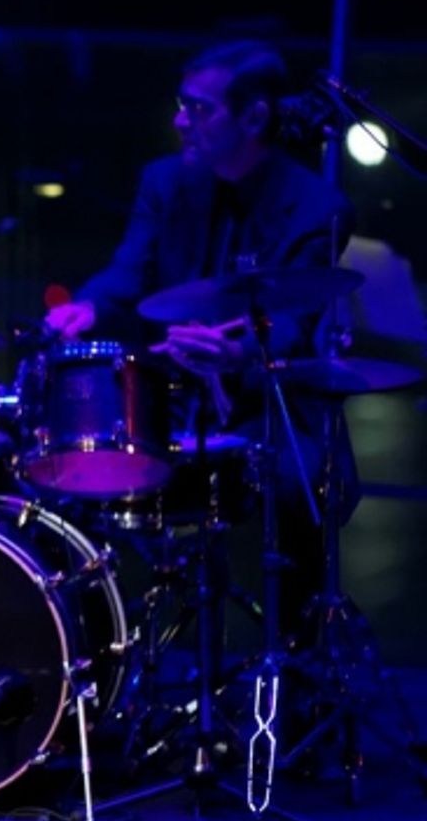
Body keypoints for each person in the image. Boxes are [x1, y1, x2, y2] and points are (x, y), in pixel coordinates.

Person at [44, 40, 359, 647]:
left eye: (197, 108)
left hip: (273, 407)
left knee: (296, 488)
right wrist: (85, 305)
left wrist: (240, 352)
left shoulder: (318, 207)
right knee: (68, 462)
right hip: (173, 397)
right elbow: (126, 274)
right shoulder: (164, 183)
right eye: (180, 105)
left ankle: (293, 669)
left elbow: (296, 321)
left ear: (254, 118)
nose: (179, 120)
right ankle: (88, 659)